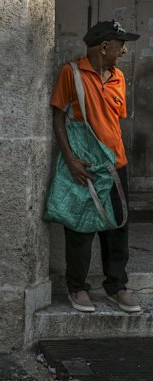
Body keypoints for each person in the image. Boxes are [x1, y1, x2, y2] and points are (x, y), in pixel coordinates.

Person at [50, 20, 140, 313]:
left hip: (115, 165)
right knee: (80, 231)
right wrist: (71, 160)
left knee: (117, 229)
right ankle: (77, 288)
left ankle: (117, 286)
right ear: (105, 46)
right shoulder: (71, 73)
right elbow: (58, 117)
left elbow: (115, 122)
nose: (124, 50)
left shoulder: (119, 77)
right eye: (121, 44)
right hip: (85, 165)